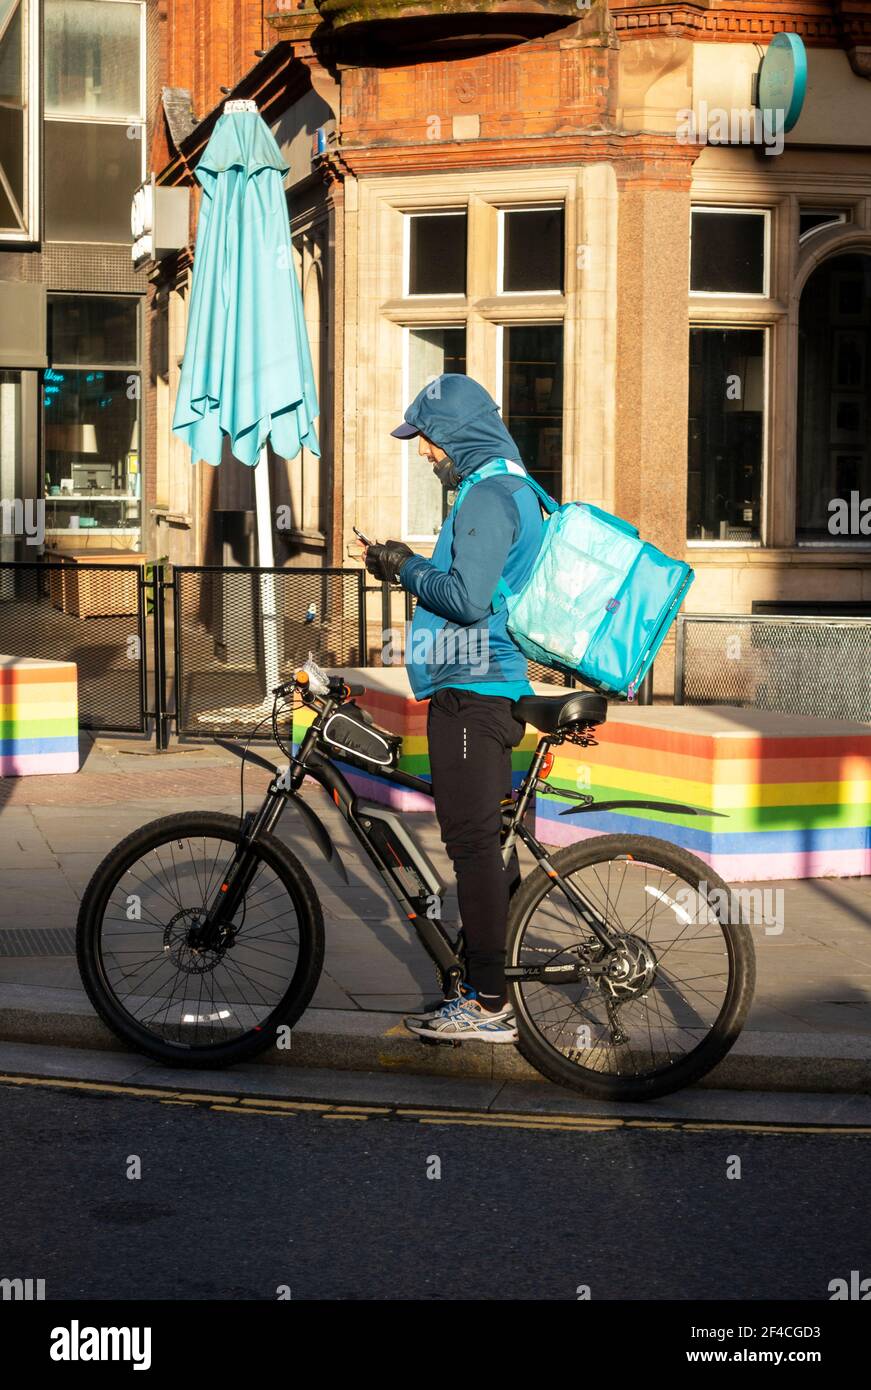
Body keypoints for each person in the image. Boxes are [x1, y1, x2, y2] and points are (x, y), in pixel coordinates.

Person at [360, 375, 544, 1043]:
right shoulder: (505, 487)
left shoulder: (488, 497)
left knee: (470, 847)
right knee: (487, 844)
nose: (422, 453)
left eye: (428, 440)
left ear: (457, 437)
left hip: (474, 692)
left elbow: (466, 600)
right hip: (480, 687)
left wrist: (401, 566)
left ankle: (489, 1002)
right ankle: (498, 972)